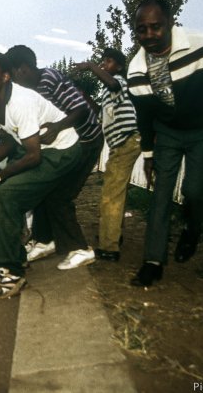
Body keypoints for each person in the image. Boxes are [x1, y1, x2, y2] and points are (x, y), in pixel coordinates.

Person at [127, 0, 203, 287]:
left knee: (194, 191)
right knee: (160, 195)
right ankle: (152, 262)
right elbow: (145, 117)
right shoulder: (136, 71)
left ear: (170, 23)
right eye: (141, 29)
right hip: (169, 133)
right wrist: (148, 154)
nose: (149, 35)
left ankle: (193, 225)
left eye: (156, 27)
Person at [0, 51, 83, 299]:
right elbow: (9, 141)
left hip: (61, 151)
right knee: (6, 194)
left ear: (5, 76)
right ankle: (17, 259)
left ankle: (11, 273)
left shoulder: (20, 101)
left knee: (7, 195)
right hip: (41, 150)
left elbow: (33, 156)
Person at [5, 45, 103, 271]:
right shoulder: (29, 92)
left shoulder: (49, 79)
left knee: (60, 196)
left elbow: (81, 109)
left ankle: (80, 249)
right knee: (43, 187)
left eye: (14, 76)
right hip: (66, 144)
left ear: (24, 70)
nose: (13, 83)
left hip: (86, 142)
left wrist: (57, 127)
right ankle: (45, 240)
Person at [76, 48, 141, 262]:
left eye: (109, 61)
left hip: (126, 141)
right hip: (120, 144)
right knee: (115, 192)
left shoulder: (120, 81)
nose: (104, 64)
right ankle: (114, 236)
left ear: (120, 67)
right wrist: (86, 99)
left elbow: (112, 83)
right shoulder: (108, 92)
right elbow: (101, 114)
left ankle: (109, 247)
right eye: (103, 61)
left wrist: (90, 66)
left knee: (110, 195)